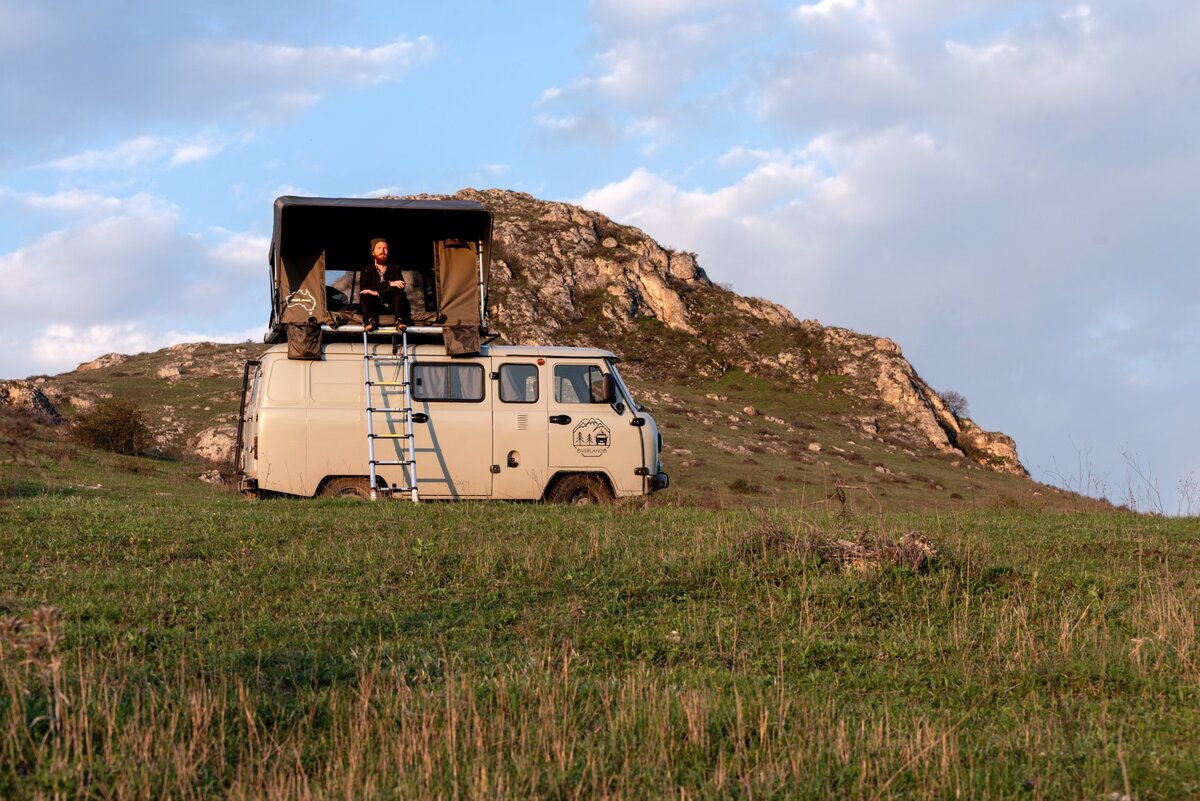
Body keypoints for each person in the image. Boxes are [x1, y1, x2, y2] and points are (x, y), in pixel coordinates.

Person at [359, 238, 413, 332]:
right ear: (373, 252)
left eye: (385, 248)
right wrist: (389, 283)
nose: (382, 251)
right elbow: (364, 288)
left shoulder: (395, 268)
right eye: (379, 248)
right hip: (374, 307)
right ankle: (372, 322)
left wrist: (378, 292)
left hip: (393, 306)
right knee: (365, 294)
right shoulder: (366, 270)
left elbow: (400, 286)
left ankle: (399, 321)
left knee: (398, 291)